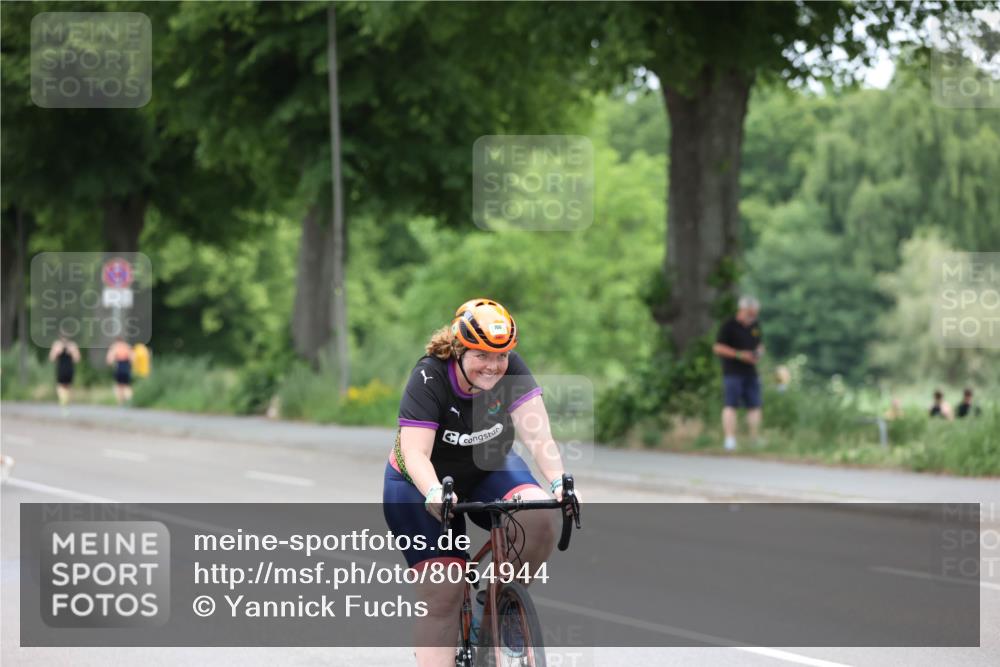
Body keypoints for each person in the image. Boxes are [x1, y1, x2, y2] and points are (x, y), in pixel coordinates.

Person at [383, 298, 577, 667]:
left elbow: (538, 437)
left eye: (501, 355)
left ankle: (500, 611)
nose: (493, 365)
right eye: (482, 355)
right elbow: (416, 453)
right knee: (444, 592)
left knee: (539, 516)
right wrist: (434, 491)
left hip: (489, 464)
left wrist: (558, 483)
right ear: (459, 349)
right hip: (420, 481)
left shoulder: (512, 370)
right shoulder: (429, 377)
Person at [713, 296, 765, 451]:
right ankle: (730, 439)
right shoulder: (729, 325)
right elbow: (718, 347)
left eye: (755, 313)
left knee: (755, 405)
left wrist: (758, 353)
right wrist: (739, 355)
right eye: (751, 313)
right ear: (742, 310)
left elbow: (760, 344)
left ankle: (754, 439)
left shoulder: (755, 326)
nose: (753, 316)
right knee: (731, 405)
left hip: (751, 371)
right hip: (733, 372)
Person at [48, 332, 81, 413]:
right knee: (60, 386)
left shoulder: (72, 345)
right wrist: (57, 352)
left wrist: (72, 352)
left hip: (69, 368)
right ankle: (63, 402)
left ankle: (65, 402)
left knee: (68, 387)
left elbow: (77, 359)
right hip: (60, 368)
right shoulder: (57, 345)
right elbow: (51, 358)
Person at [106, 337, 134, 405]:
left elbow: (109, 359)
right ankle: (129, 400)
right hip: (127, 366)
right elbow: (132, 358)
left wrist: (111, 364)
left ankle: (120, 401)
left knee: (119, 385)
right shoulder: (127, 346)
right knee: (127, 385)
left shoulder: (115, 346)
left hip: (119, 366)